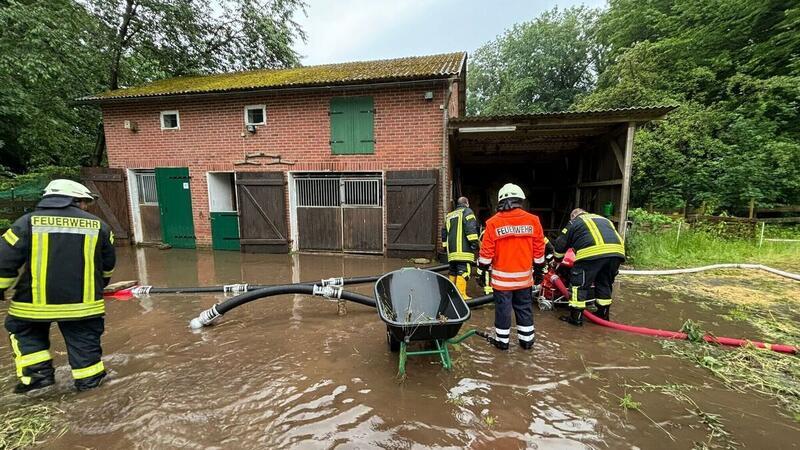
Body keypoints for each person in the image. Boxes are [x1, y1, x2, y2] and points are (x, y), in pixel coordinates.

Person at [0, 179, 116, 393]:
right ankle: (91, 389)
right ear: (76, 200)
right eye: (85, 203)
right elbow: (107, 266)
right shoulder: (99, 226)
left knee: (26, 335)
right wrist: (99, 288)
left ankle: (38, 381)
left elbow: (4, 262)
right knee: (86, 350)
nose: (86, 208)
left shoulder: (25, 223)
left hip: (31, 306)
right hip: (84, 306)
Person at [477, 183, 546, 350]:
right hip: (524, 280)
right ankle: (527, 342)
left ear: (501, 201)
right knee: (524, 308)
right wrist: (539, 270)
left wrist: (481, 272)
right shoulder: (533, 220)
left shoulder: (493, 223)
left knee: (503, 310)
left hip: (502, 282)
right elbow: (539, 249)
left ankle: (502, 342)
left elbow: (486, 253)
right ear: (520, 200)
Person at [553, 208, 625, 326]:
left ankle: (576, 318)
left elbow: (561, 244)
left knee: (579, 285)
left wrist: (557, 260)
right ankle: (603, 316)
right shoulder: (603, 219)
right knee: (604, 283)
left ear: (573, 216)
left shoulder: (574, 222)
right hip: (616, 253)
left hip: (591, 254)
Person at [442, 196, 480, 299]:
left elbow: (444, 232)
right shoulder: (467, 212)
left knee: (453, 271)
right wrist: (474, 243)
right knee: (464, 271)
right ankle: (461, 296)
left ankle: (451, 295)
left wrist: (445, 247)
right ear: (467, 203)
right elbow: (470, 228)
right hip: (464, 251)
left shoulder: (449, 215)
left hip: (452, 252)